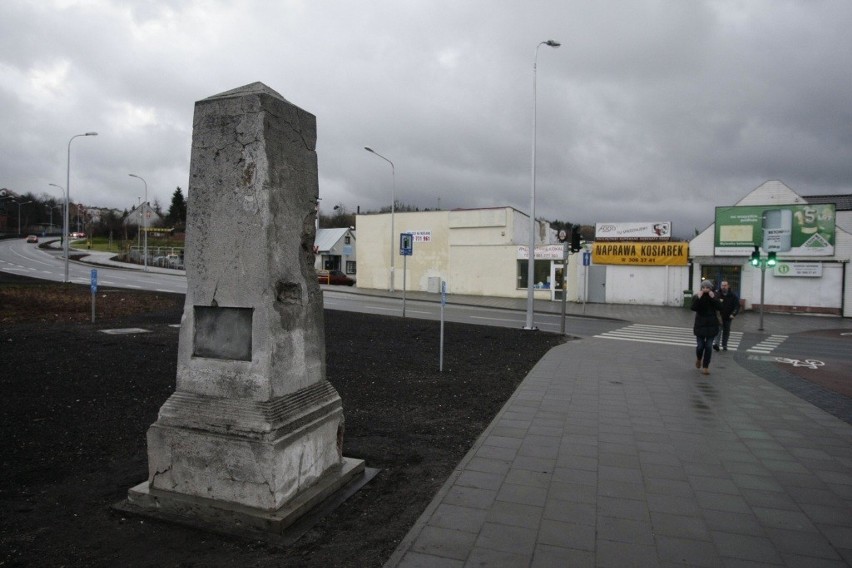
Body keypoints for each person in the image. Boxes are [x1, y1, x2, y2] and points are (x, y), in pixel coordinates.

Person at [691, 280, 721, 375]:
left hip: (711, 325)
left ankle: (705, 366)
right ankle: (699, 359)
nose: (705, 289)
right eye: (703, 287)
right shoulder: (697, 296)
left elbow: (720, 307)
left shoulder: (715, 296)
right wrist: (698, 298)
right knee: (700, 346)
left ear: (710, 288)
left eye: (707, 288)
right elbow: (693, 308)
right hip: (700, 325)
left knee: (708, 346)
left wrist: (713, 298)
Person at [713, 280, 740, 351]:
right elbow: (713, 304)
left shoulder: (733, 295)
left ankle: (724, 345)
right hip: (719, 317)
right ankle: (716, 344)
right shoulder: (717, 294)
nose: (723, 287)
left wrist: (733, 314)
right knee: (718, 330)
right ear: (720, 286)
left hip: (728, 317)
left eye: (725, 285)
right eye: (722, 285)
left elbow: (737, 306)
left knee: (726, 331)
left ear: (728, 286)